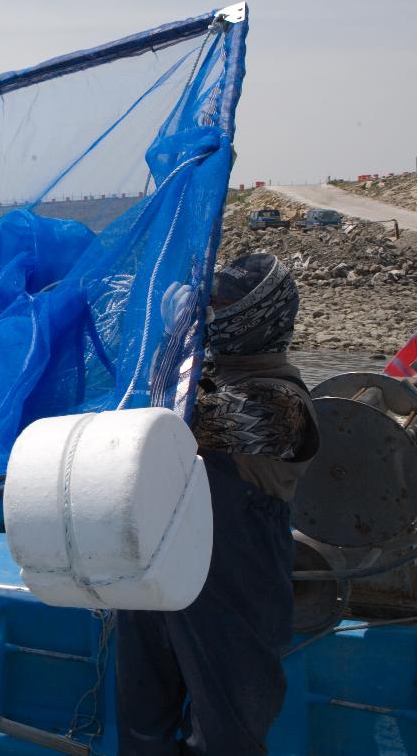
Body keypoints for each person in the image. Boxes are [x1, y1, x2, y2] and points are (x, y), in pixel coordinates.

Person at [117, 253, 320, 755]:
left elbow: (170, 419)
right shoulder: (208, 370)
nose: (210, 311)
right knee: (143, 724)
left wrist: (171, 342)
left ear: (261, 316)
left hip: (233, 595)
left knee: (225, 737)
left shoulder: (281, 403)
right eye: (208, 300)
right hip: (156, 578)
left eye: (224, 303)